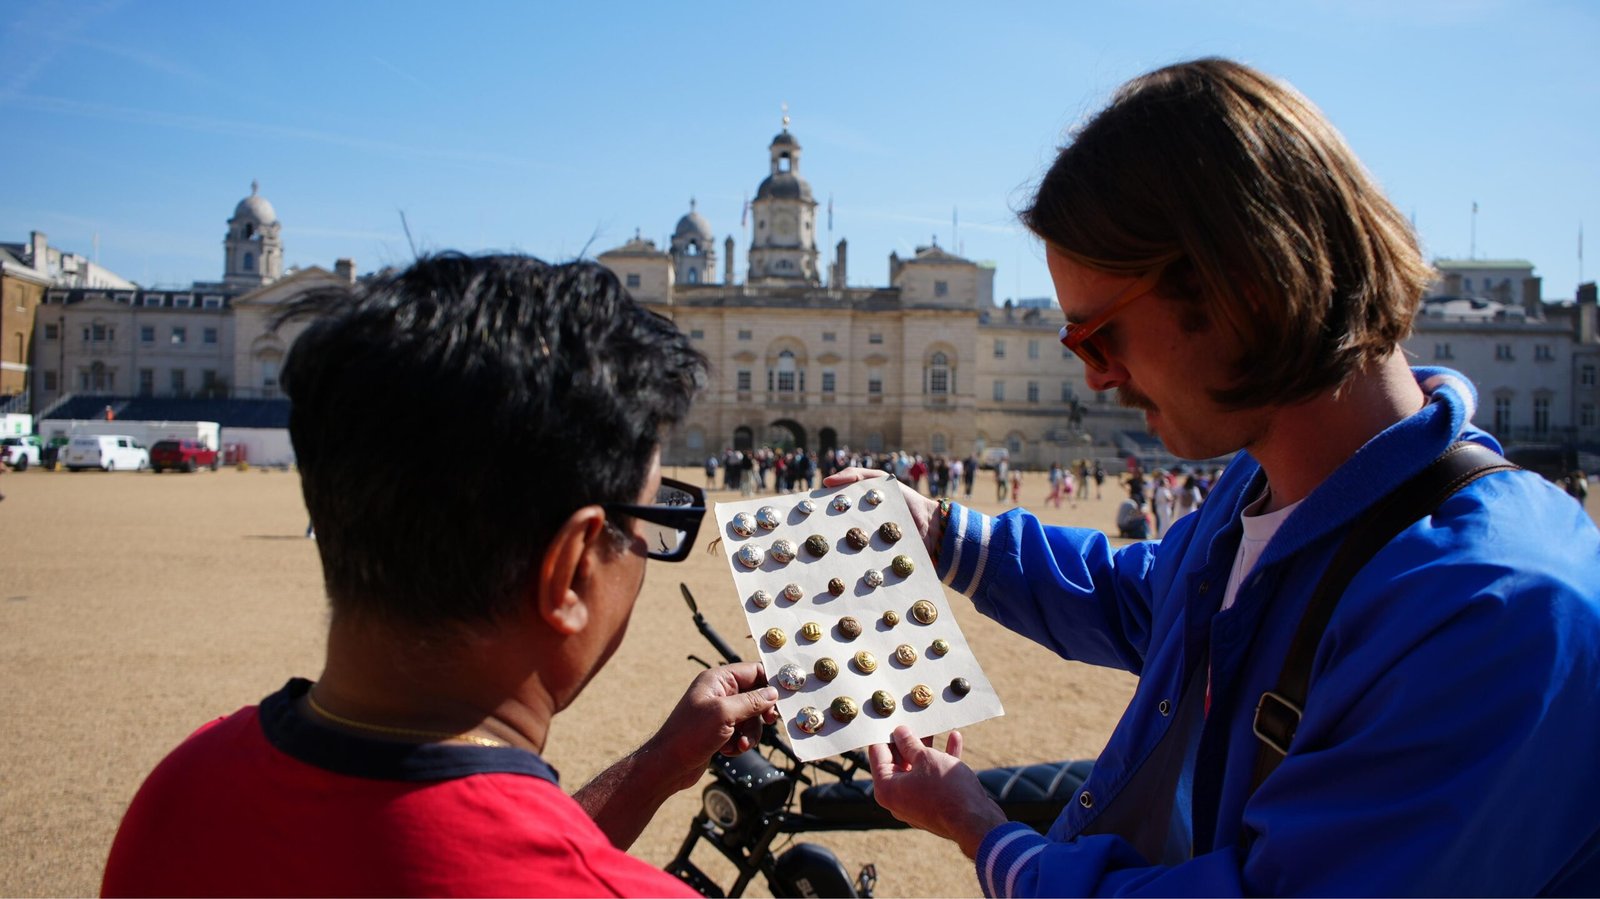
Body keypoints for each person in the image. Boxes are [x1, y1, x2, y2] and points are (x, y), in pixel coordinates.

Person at [830, 59, 1600, 896]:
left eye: (1098, 337)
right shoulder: (1265, 476)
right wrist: (940, 532)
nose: (1093, 377)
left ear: (1247, 287)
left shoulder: (1492, 609)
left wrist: (986, 832)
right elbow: (1157, 599)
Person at [102, 254, 779, 897]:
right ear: (570, 572)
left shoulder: (183, 787)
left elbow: (443, 853)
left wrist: (657, 764)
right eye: (651, 517)